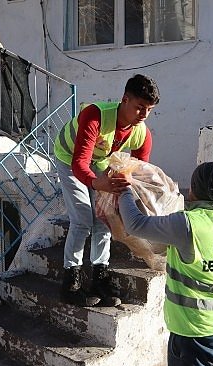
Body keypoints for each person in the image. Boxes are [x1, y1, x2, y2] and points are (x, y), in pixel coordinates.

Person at [119, 161, 213, 366]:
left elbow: (135, 225)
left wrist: (125, 189)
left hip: (193, 334)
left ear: (193, 189)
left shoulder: (187, 225)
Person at [53, 74, 160, 307]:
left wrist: (125, 190)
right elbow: (79, 163)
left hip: (100, 162)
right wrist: (97, 183)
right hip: (69, 157)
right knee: (82, 218)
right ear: (125, 99)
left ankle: (99, 276)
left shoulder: (142, 134)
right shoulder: (95, 115)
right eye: (140, 107)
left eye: (149, 110)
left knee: (105, 217)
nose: (144, 115)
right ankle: (71, 280)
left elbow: (139, 172)